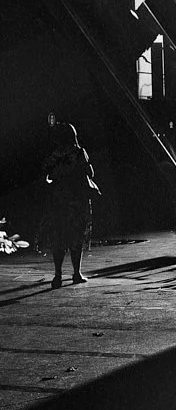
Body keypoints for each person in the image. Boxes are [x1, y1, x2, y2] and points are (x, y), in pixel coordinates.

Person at [42, 121, 99, 289]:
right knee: (77, 236)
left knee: (58, 236)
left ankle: (57, 276)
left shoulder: (54, 154)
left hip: (58, 200)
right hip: (77, 199)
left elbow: (46, 173)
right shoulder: (79, 152)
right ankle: (76, 273)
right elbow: (90, 172)